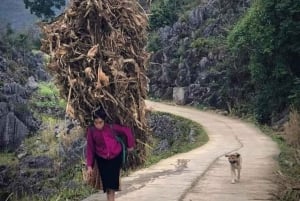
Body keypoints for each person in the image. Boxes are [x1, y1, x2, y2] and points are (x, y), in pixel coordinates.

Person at [86, 108, 135, 201]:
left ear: (104, 121)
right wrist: (89, 165)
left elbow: (127, 130)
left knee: (111, 186)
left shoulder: (112, 127)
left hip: (115, 157)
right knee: (107, 186)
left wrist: (130, 145)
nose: (98, 125)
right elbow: (90, 148)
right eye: (96, 122)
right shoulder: (91, 131)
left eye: (100, 122)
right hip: (102, 159)